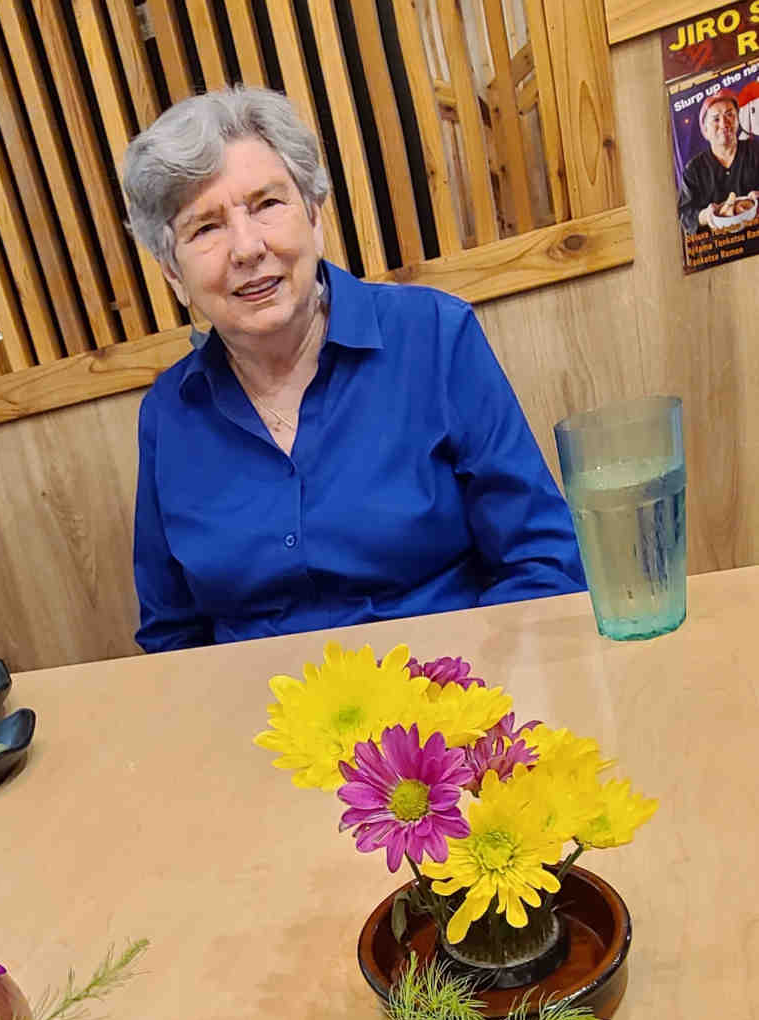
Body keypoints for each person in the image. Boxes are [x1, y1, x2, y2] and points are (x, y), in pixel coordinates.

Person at [122, 86, 585, 652]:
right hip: (259, 705)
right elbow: (171, 632)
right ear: (173, 273)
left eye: (267, 205)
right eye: (205, 228)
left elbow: (540, 559)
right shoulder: (169, 413)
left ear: (314, 217)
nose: (246, 248)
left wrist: (467, 689)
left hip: (443, 689)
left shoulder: (434, 335)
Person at [677, 90, 759, 234]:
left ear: (738, 120)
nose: (724, 123)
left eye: (730, 115)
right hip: (719, 245)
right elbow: (685, 215)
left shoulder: (756, 150)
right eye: (716, 119)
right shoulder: (694, 170)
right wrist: (706, 215)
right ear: (705, 130)